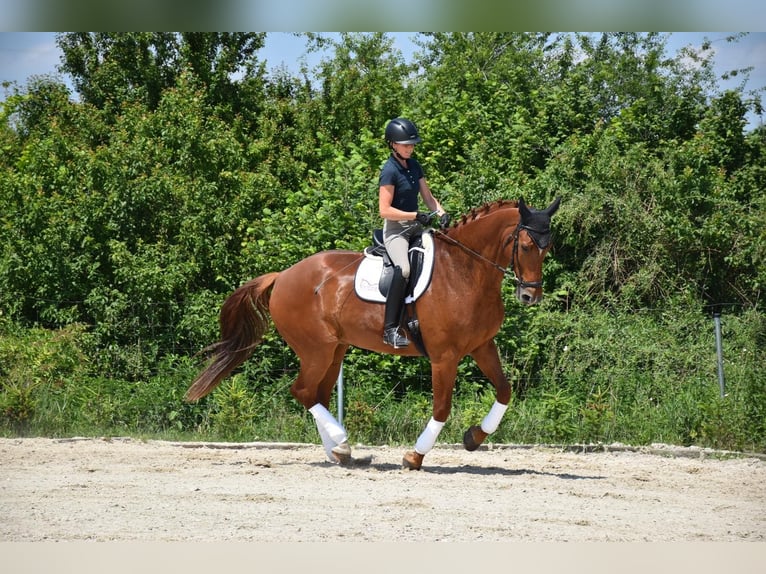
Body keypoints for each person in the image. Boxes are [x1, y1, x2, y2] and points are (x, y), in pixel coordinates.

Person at [378, 117, 449, 348]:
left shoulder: (415, 165)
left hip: (416, 228)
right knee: (405, 269)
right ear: (393, 145)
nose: (410, 147)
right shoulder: (389, 171)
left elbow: (428, 198)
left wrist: (441, 213)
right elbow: (384, 210)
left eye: (412, 144)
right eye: (406, 144)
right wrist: (414, 215)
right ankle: (390, 329)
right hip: (396, 232)